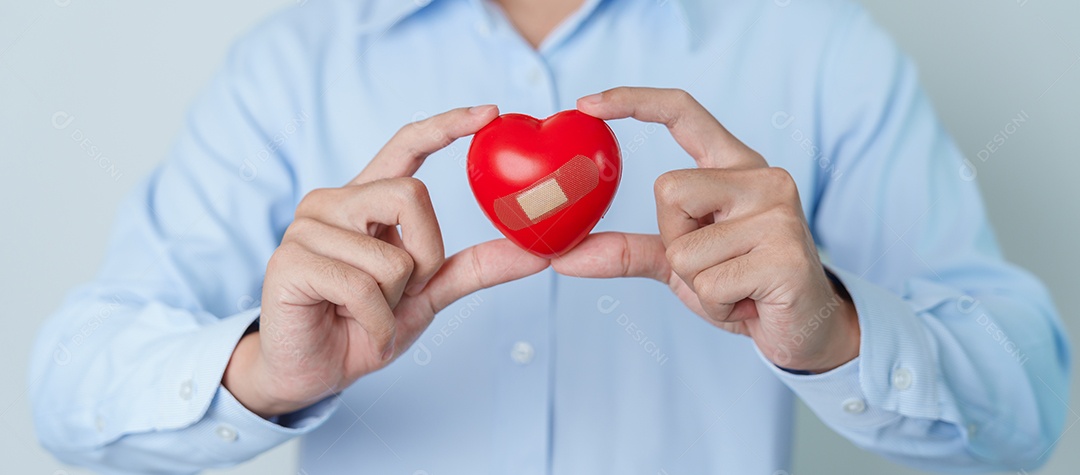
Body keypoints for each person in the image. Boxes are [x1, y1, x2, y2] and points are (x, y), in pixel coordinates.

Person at [30, 0, 1070, 473]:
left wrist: (841, 332)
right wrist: (263, 366)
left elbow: (1026, 409)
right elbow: (69, 389)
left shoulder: (821, 45)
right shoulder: (286, 65)